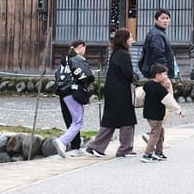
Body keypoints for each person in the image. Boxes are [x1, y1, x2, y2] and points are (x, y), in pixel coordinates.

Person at [85, 29, 138, 158]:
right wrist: (136, 77)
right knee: (127, 119)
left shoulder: (116, 53)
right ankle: (124, 148)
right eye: (130, 37)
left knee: (111, 120)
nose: (132, 40)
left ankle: (97, 146)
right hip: (121, 91)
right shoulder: (123, 54)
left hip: (113, 90)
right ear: (124, 40)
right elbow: (128, 73)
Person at [53, 39, 95, 158]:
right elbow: (86, 76)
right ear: (81, 46)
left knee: (70, 120)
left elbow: (57, 74)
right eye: (84, 48)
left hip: (62, 92)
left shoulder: (64, 60)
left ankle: (75, 146)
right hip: (73, 91)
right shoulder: (77, 59)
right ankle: (62, 142)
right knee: (77, 120)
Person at [140, 63, 183, 162]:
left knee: (160, 132)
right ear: (157, 75)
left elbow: (142, 97)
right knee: (155, 134)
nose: (166, 77)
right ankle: (147, 154)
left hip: (148, 113)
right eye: (164, 74)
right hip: (156, 114)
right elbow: (169, 101)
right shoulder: (159, 88)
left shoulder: (147, 85)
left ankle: (159, 152)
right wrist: (178, 110)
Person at [140, 9, 177, 79]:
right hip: (158, 75)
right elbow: (158, 55)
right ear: (156, 20)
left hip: (155, 73)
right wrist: (164, 74)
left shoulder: (157, 32)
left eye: (167, 18)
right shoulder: (157, 35)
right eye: (162, 18)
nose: (165, 21)